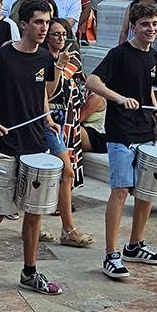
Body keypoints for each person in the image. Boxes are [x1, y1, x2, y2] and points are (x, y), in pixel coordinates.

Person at [0, 0, 64, 303]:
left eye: (47, 22)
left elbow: (39, 95)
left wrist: (46, 118)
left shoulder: (45, 58)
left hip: (36, 146)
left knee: (34, 215)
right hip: (6, 147)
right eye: (38, 22)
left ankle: (30, 272)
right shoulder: (2, 56)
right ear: (23, 25)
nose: (44, 28)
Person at [87, 2, 157, 279]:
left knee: (146, 192)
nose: (151, 29)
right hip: (121, 133)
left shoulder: (153, 55)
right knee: (121, 191)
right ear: (133, 27)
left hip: (146, 131)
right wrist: (119, 98)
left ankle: (135, 245)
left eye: (155, 25)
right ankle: (111, 254)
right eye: (145, 25)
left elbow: (148, 90)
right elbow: (92, 81)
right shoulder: (118, 54)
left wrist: (156, 111)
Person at [43, 16, 94, 247]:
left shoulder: (72, 59)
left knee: (66, 173)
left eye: (64, 34)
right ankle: (64, 228)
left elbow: (81, 85)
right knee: (56, 173)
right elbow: (50, 93)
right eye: (56, 34)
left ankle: (65, 228)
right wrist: (59, 66)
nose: (60, 38)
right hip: (47, 120)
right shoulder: (44, 60)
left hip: (68, 119)